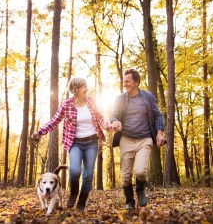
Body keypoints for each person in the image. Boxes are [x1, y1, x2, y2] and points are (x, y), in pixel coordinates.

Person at [31, 77, 111, 212]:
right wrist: (40, 132)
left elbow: (101, 117)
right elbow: (54, 121)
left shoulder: (91, 101)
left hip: (92, 141)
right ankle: (74, 192)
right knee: (74, 171)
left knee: (88, 175)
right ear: (76, 90)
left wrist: (109, 126)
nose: (87, 89)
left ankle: (82, 201)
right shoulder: (66, 105)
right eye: (84, 87)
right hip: (75, 143)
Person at [110, 68, 166, 210]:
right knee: (126, 175)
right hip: (126, 139)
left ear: (136, 82)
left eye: (127, 81)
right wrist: (115, 121)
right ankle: (129, 200)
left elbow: (158, 115)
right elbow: (114, 115)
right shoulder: (120, 98)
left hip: (144, 139)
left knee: (140, 171)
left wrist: (159, 134)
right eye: (124, 81)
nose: (125, 83)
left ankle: (140, 189)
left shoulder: (147, 97)